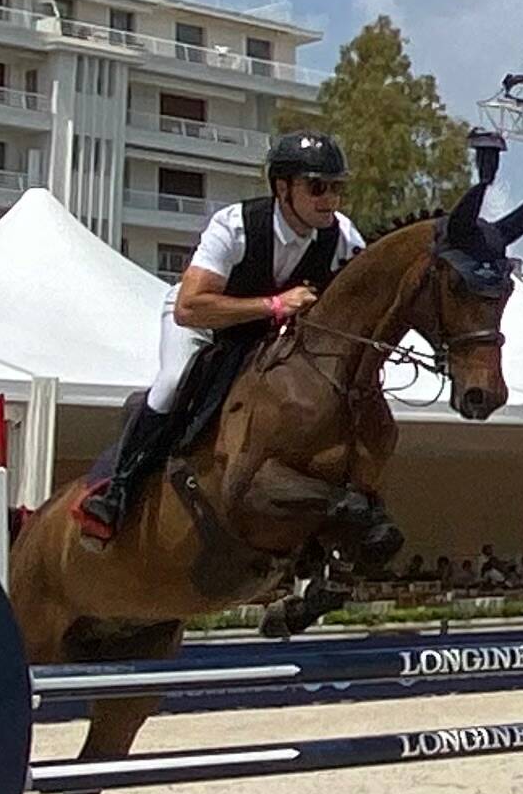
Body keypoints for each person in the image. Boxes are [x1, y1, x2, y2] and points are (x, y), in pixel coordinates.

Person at [78, 129, 365, 542]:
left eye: (337, 188)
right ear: (283, 188)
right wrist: (275, 305)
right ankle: (116, 488)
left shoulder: (343, 237)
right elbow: (189, 307)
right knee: (172, 382)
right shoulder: (235, 226)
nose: (330, 200)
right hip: (204, 327)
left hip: (264, 339)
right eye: (318, 187)